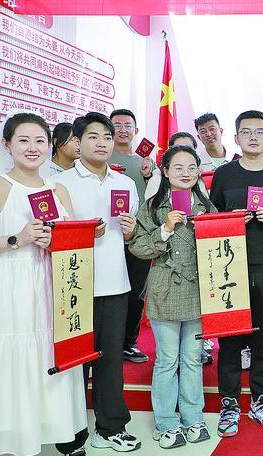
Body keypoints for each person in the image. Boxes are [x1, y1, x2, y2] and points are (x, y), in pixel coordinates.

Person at [0, 113, 87, 456]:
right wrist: (17, 238)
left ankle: (29, 453)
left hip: (47, 288)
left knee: (38, 366)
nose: (33, 148)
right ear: (7, 145)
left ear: (50, 145)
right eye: (23, 140)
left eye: (39, 141)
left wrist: (57, 241)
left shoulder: (58, 189)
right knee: (7, 368)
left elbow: (70, 241)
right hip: (4, 289)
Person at [53, 112, 142, 456]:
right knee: (74, 364)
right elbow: (51, 236)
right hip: (74, 286)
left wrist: (131, 232)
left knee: (110, 360)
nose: (102, 143)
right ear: (77, 142)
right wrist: (83, 235)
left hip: (115, 283)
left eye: (107, 136)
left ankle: (111, 427)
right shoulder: (59, 183)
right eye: (93, 136)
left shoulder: (125, 183)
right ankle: (71, 435)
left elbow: (130, 235)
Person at [210, 111, 263, 437]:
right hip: (229, 268)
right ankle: (229, 403)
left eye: (260, 132)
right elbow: (209, 220)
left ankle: (261, 401)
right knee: (229, 342)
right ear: (236, 138)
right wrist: (228, 220)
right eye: (246, 132)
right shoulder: (224, 175)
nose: (253, 137)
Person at [129, 145, 215, 449]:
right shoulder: (153, 206)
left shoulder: (207, 207)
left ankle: (193, 417)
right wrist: (165, 229)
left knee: (192, 358)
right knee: (167, 359)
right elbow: (138, 248)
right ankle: (166, 422)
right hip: (164, 288)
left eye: (192, 167)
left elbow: (219, 247)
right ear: (165, 171)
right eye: (178, 167)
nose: (186, 173)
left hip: (199, 290)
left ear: (199, 171)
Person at [110, 109, 155, 364]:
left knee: (136, 292)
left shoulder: (145, 163)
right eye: (117, 125)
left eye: (128, 125)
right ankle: (107, 344)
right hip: (107, 237)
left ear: (136, 131)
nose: (123, 130)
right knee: (108, 292)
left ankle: (129, 343)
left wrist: (150, 176)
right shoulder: (101, 158)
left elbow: (154, 199)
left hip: (139, 237)